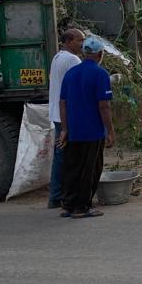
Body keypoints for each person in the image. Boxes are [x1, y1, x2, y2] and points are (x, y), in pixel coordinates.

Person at [57, 35, 114, 219]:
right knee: (90, 170)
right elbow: (104, 106)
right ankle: (82, 207)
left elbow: (62, 103)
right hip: (92, 131)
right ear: (100, 54)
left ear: (83, 53)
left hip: (73, 130)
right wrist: (110, 131)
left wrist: (65, 129)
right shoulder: (101, 74)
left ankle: (68, 205)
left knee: (72, 168)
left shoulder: (71, 74)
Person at [47, 28, 84, 208]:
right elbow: (81, 84)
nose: (82, 44)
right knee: (69, 157)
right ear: (68, 41)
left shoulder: (57, 57)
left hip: (57, 113)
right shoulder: (72, 60)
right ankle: (65, 195)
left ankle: (55, 195)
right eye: (79, 40)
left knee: (60, 155)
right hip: (66, 115)